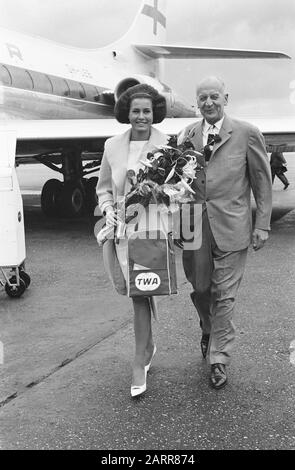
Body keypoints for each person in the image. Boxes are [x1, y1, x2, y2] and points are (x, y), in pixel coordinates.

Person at [178, 76, 272, 390]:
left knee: (224, 294)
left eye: (214, 97)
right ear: (197, 101)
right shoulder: (186, 136)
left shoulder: (247, 133)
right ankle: (208, 326)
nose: (208, 103)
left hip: (232, 225)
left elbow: (261, 180)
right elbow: (177, 184)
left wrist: (262, 224)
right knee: (200, 287)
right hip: (193, 224)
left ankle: (219, 358)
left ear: (225, 98)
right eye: (202, 97)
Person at [96, 84, 168, 397]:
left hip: (151, 226)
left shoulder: (168, 145)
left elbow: (179, 189)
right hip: (122, 229)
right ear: (127, 113)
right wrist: (109, 210)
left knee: (140, 291)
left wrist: (160, 196)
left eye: (146, 111)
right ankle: (149, 345)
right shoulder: (112, 145)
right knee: (134, 289)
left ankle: (139, 361)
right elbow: (103, 188)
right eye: (136, 111)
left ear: (155, 114)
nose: (141, 116)